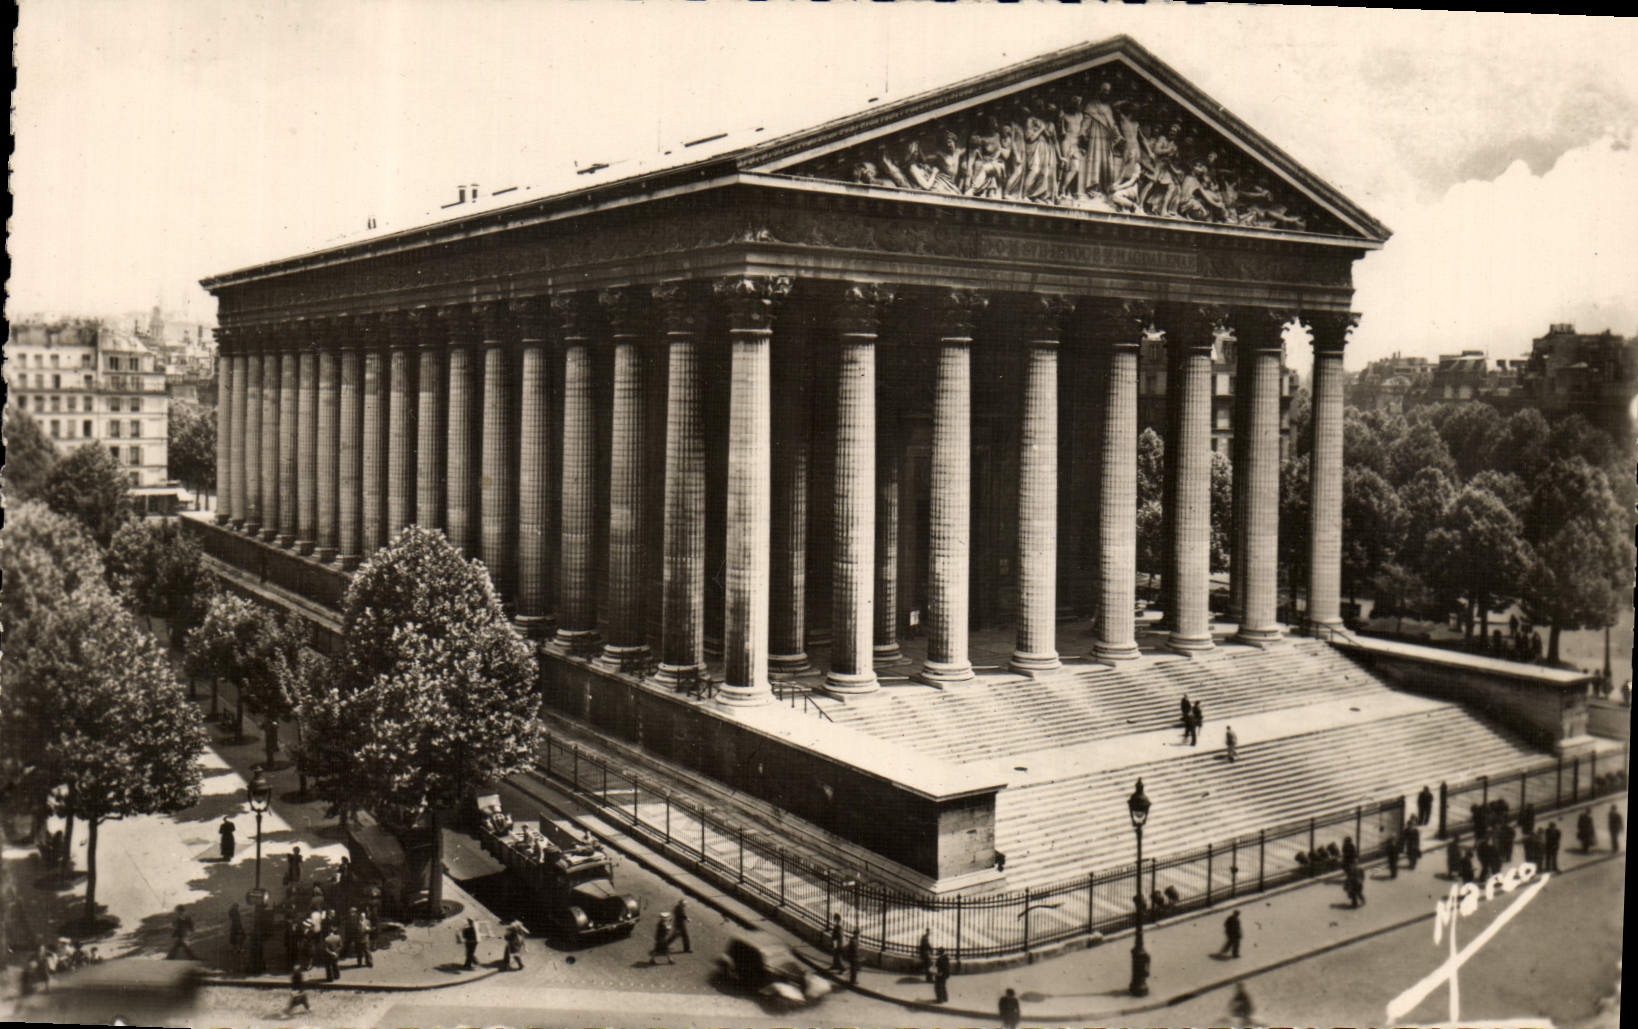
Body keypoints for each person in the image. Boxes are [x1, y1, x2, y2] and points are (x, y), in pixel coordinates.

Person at [228, 903, 246, 970]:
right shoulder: (235, 912)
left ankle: (235, 949)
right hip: (237, 926)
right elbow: (237, 920)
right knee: (242, 936)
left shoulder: (231, 911)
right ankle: (239, 949)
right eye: (237, 906)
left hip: (234, 926)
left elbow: (231, 918)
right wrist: (240, 927)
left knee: (233, 937)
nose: (238, 908)